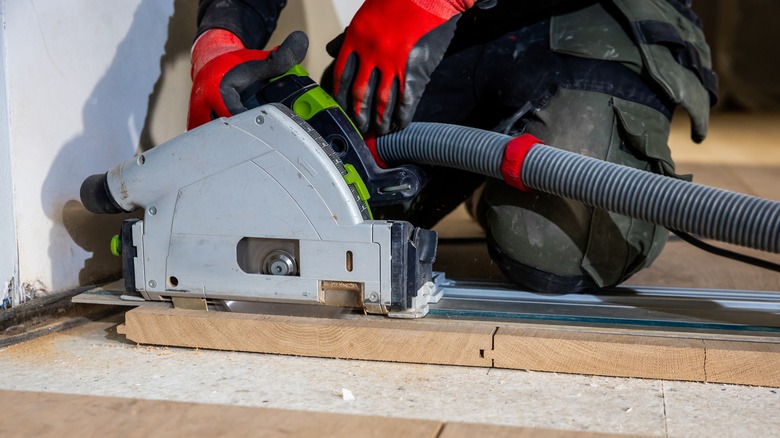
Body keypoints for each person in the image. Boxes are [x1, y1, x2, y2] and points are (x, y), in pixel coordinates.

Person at [189, 0, 718, 293]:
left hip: (596, 14)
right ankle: (489, 157)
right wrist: (221, 39)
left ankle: (512, 156)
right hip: (458, 27)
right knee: (337, 204)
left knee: (555, 249)